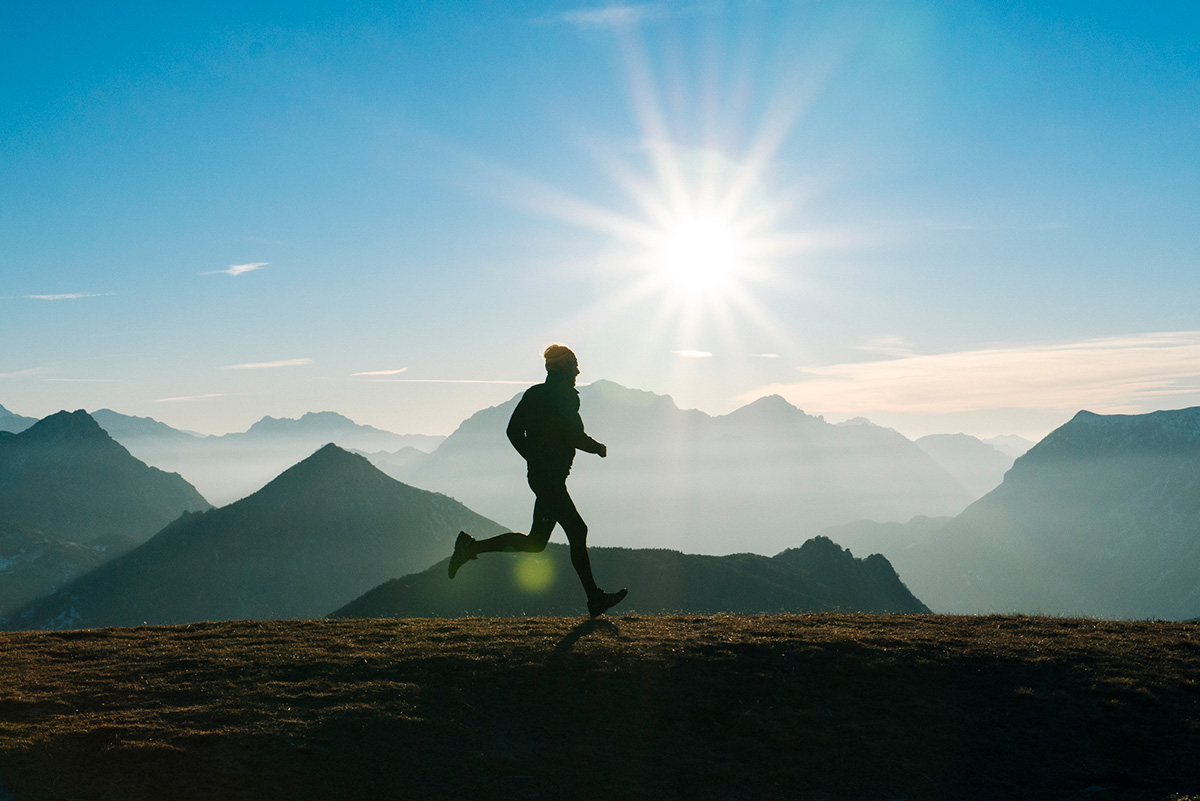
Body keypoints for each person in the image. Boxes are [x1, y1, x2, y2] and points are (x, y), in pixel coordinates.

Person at [448, 344, 627, 618]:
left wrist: (532, 458)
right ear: (565, 368)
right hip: (549, 479)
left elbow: (513, 431)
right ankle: (594, 599)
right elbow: (572, 435)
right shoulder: (564, 397)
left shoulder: (535, 394)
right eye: (574, 364)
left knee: (536, 542)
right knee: (577, 531)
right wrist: (597, 448)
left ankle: (470, 547)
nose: (578, 370)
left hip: (543, 477)